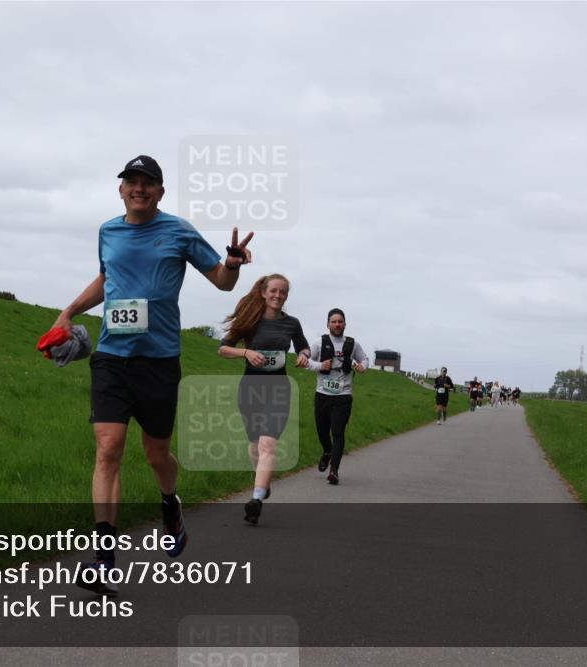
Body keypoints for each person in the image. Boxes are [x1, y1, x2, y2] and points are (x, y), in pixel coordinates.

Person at [54, 155, 252, 594]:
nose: (138, 188)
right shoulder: (108, 230)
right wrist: (69, 311)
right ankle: (104, 558)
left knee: (157, 455)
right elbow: (107, 279)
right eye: (131, 181)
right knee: (108, 448)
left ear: (161, 191)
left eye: (148, 183)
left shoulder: (178, 231)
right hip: (111, 355)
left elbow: (221, 281)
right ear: (120, 189)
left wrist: (234, 262)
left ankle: (170, 502)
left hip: (159, 361)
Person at [218, 274, 309, 523]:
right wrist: (246, 352)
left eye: (283, 293)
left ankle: (256, 498)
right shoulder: (250, 320)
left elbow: (303, 346)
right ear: (263, 292)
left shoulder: (292, 323)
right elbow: (223, 348)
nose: (278, 296)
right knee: (255, 445)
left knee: (269, 444)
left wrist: (303, 354)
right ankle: (262, 479)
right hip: (250, 388)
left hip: (279, 388)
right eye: (274, 291)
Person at [303, 308, 370, 485]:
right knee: (322, 431)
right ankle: (327, 451)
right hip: (322, 394)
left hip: (343, 395)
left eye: (340, 321)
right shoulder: (319, 342)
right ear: (328, 324)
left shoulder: (353, 344)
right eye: (334, 321)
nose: (337, 324)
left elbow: (365, 359)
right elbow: (305, 361)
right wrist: (319, 366)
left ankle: (334, 471)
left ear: (345, 324)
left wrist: (363, 366)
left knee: (338, 432)